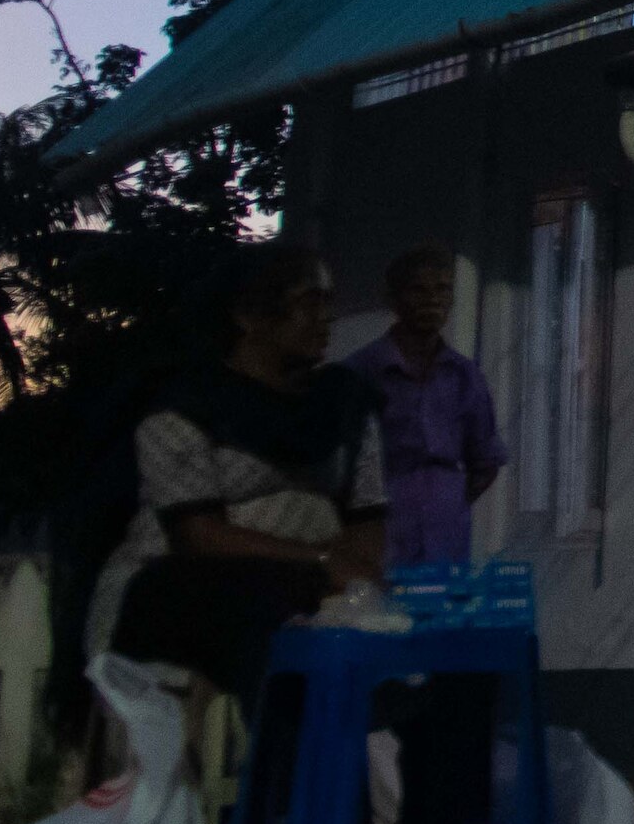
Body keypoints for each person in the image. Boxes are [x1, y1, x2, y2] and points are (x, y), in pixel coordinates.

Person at [88, 238, 389, 693]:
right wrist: (324, 561)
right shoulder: (186, 408)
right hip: (178, 591)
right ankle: (276, 754)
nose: (325, 318)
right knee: (275, 613)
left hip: (312, 591)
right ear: (248, 317)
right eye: (309, 303)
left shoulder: (343, 406)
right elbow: (199, 536)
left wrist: (355, 574)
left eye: (329, 303)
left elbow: (367, 516)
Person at [357, 245, 508, 565]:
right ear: (393, 300)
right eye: (418, 289)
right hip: (380, 529)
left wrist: (446, 498)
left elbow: (486, 460)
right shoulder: (362, 371)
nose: (432, 299)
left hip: (446, 532)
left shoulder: (465, 375)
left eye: (442, 289)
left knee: (444, 610)